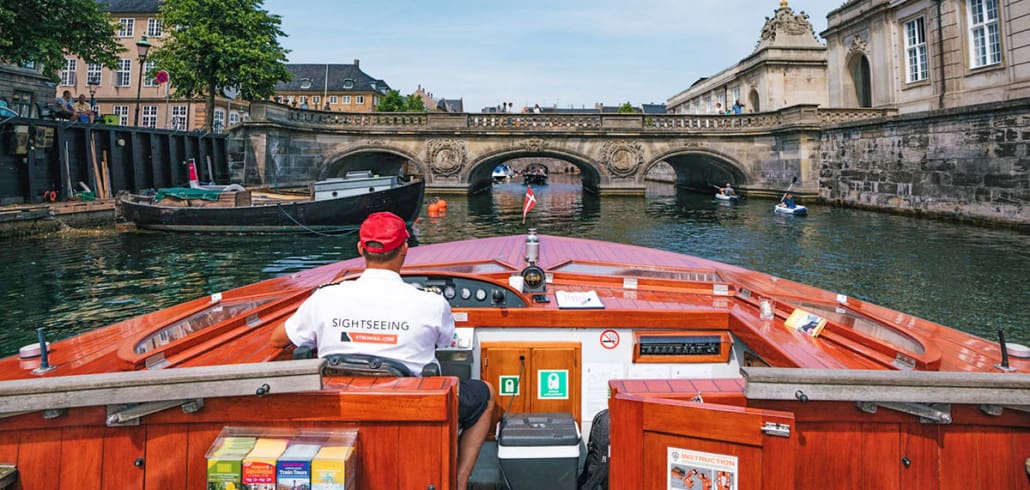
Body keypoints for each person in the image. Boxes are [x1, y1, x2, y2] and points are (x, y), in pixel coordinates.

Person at [271, 212, 494, 490]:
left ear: (361, 249)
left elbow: (279, 338)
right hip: (411, 410)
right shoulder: (430, 304)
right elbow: (445, 343)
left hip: (339, 406)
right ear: (404, 249)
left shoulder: (326, 297)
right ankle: (457, 483)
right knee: (484, 394)